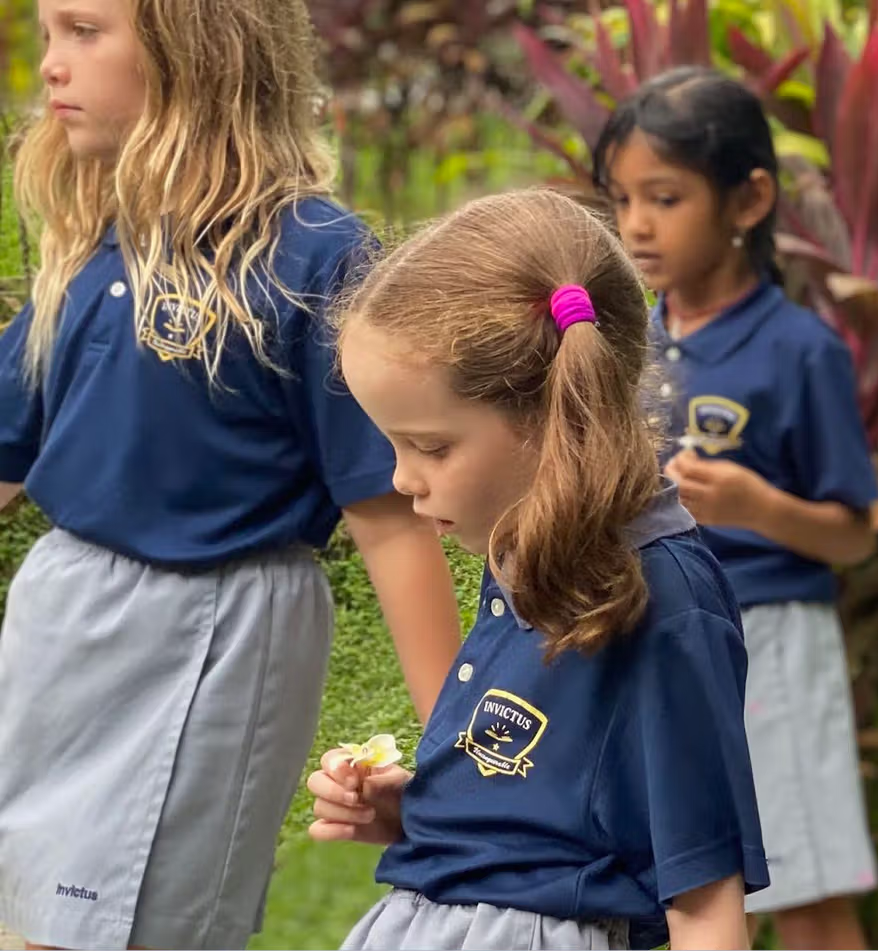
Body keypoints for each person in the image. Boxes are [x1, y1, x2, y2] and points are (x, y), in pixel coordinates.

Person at [0, 1, 463, 947]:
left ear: (192, 50)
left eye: (85, 32)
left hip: (207, 632)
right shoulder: (97, 242)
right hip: (60, 615)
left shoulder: (314, 259)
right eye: (50, 34)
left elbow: (388, 517)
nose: (51, 65)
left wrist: (460, 764)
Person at [305, 189, 768, 951]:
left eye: (431, 445)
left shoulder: (665, 597)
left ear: (556, 422)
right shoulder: (526, 550)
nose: (401, 479)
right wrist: (419, 812)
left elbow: (704, 896)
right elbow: (549, 808)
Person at [594, 67, 878, 950]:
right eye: (622, 200)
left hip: (775, 646)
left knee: (807, 889)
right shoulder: (624, 340)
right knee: (683, 886)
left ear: (748, 199)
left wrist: (757, 506)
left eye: (666, 197)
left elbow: (855, 533)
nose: (636, 224)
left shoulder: (800, 351)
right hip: (652, 637)